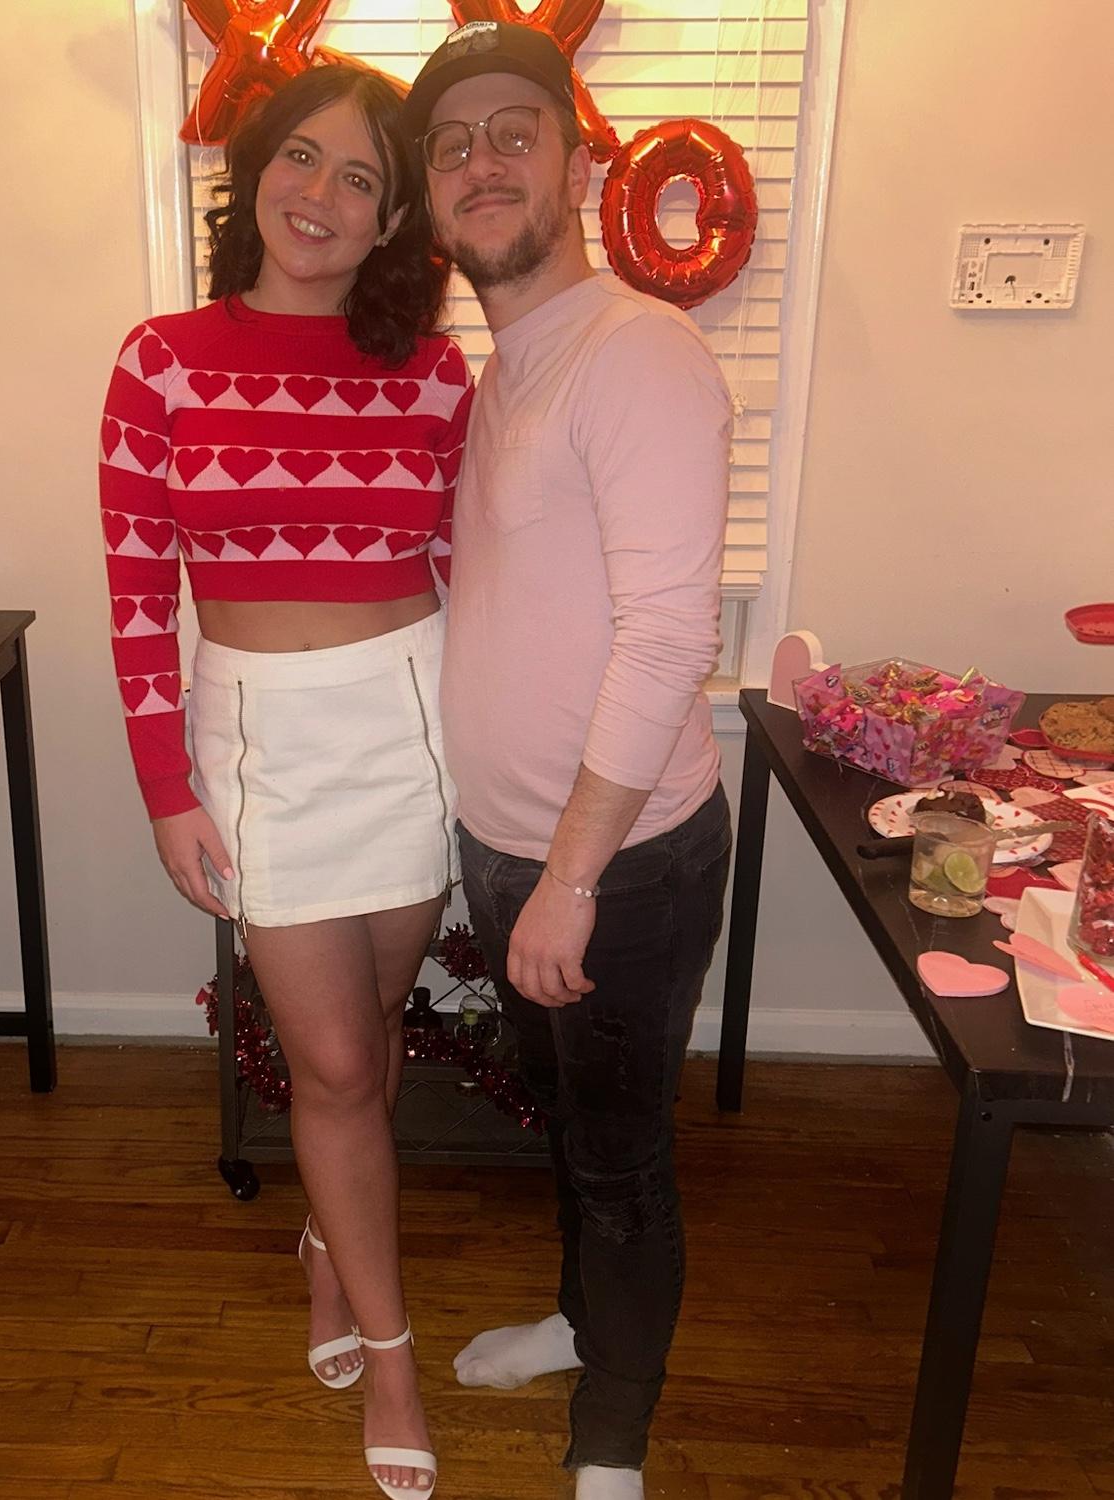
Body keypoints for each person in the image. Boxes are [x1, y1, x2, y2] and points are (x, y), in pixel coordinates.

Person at [99, 64, 472, 1500]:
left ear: (391, 219)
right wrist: (165, 787)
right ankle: (393, 1352)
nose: (320, 195)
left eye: (361, 178)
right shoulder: (161, 361)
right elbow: (139, 596)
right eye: (302, 158)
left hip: (411, 724)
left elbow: (467, 573)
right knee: (333, 1065)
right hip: (257, 739)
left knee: (365, 1038)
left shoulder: (434, 372)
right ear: (256, 169)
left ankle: (330, 1238)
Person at [404, 22, 735, 1500]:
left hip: (619, 867)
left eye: (512, 132)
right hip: (516, 852)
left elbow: (667, 641)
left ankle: (614, 1442)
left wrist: (572, 880)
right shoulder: (509, 370)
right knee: (575, 1139)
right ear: (431, 196)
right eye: (451, 145)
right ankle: (580, 1323)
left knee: (622, 1164)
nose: (481, 162)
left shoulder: (636, 350)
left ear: (579, 162)